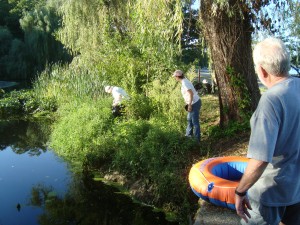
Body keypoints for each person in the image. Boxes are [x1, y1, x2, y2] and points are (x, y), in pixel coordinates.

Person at [235, 37, 300, 225]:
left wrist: (240, 191)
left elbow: (260, 159)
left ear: (262, 70)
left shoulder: (271, 100)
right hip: (296, 189)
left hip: (269, 193)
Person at [173, 70, 201, 142]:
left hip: (194, 103)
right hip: (193, 102)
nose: (175, 78)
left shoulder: (185, 83)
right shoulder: (184, 81)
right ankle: (188, 137)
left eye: (175, 77)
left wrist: (189, 105)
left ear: (178, 76)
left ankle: (197, 141)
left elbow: (191, 93)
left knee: (195, 122)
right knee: (189, 120)